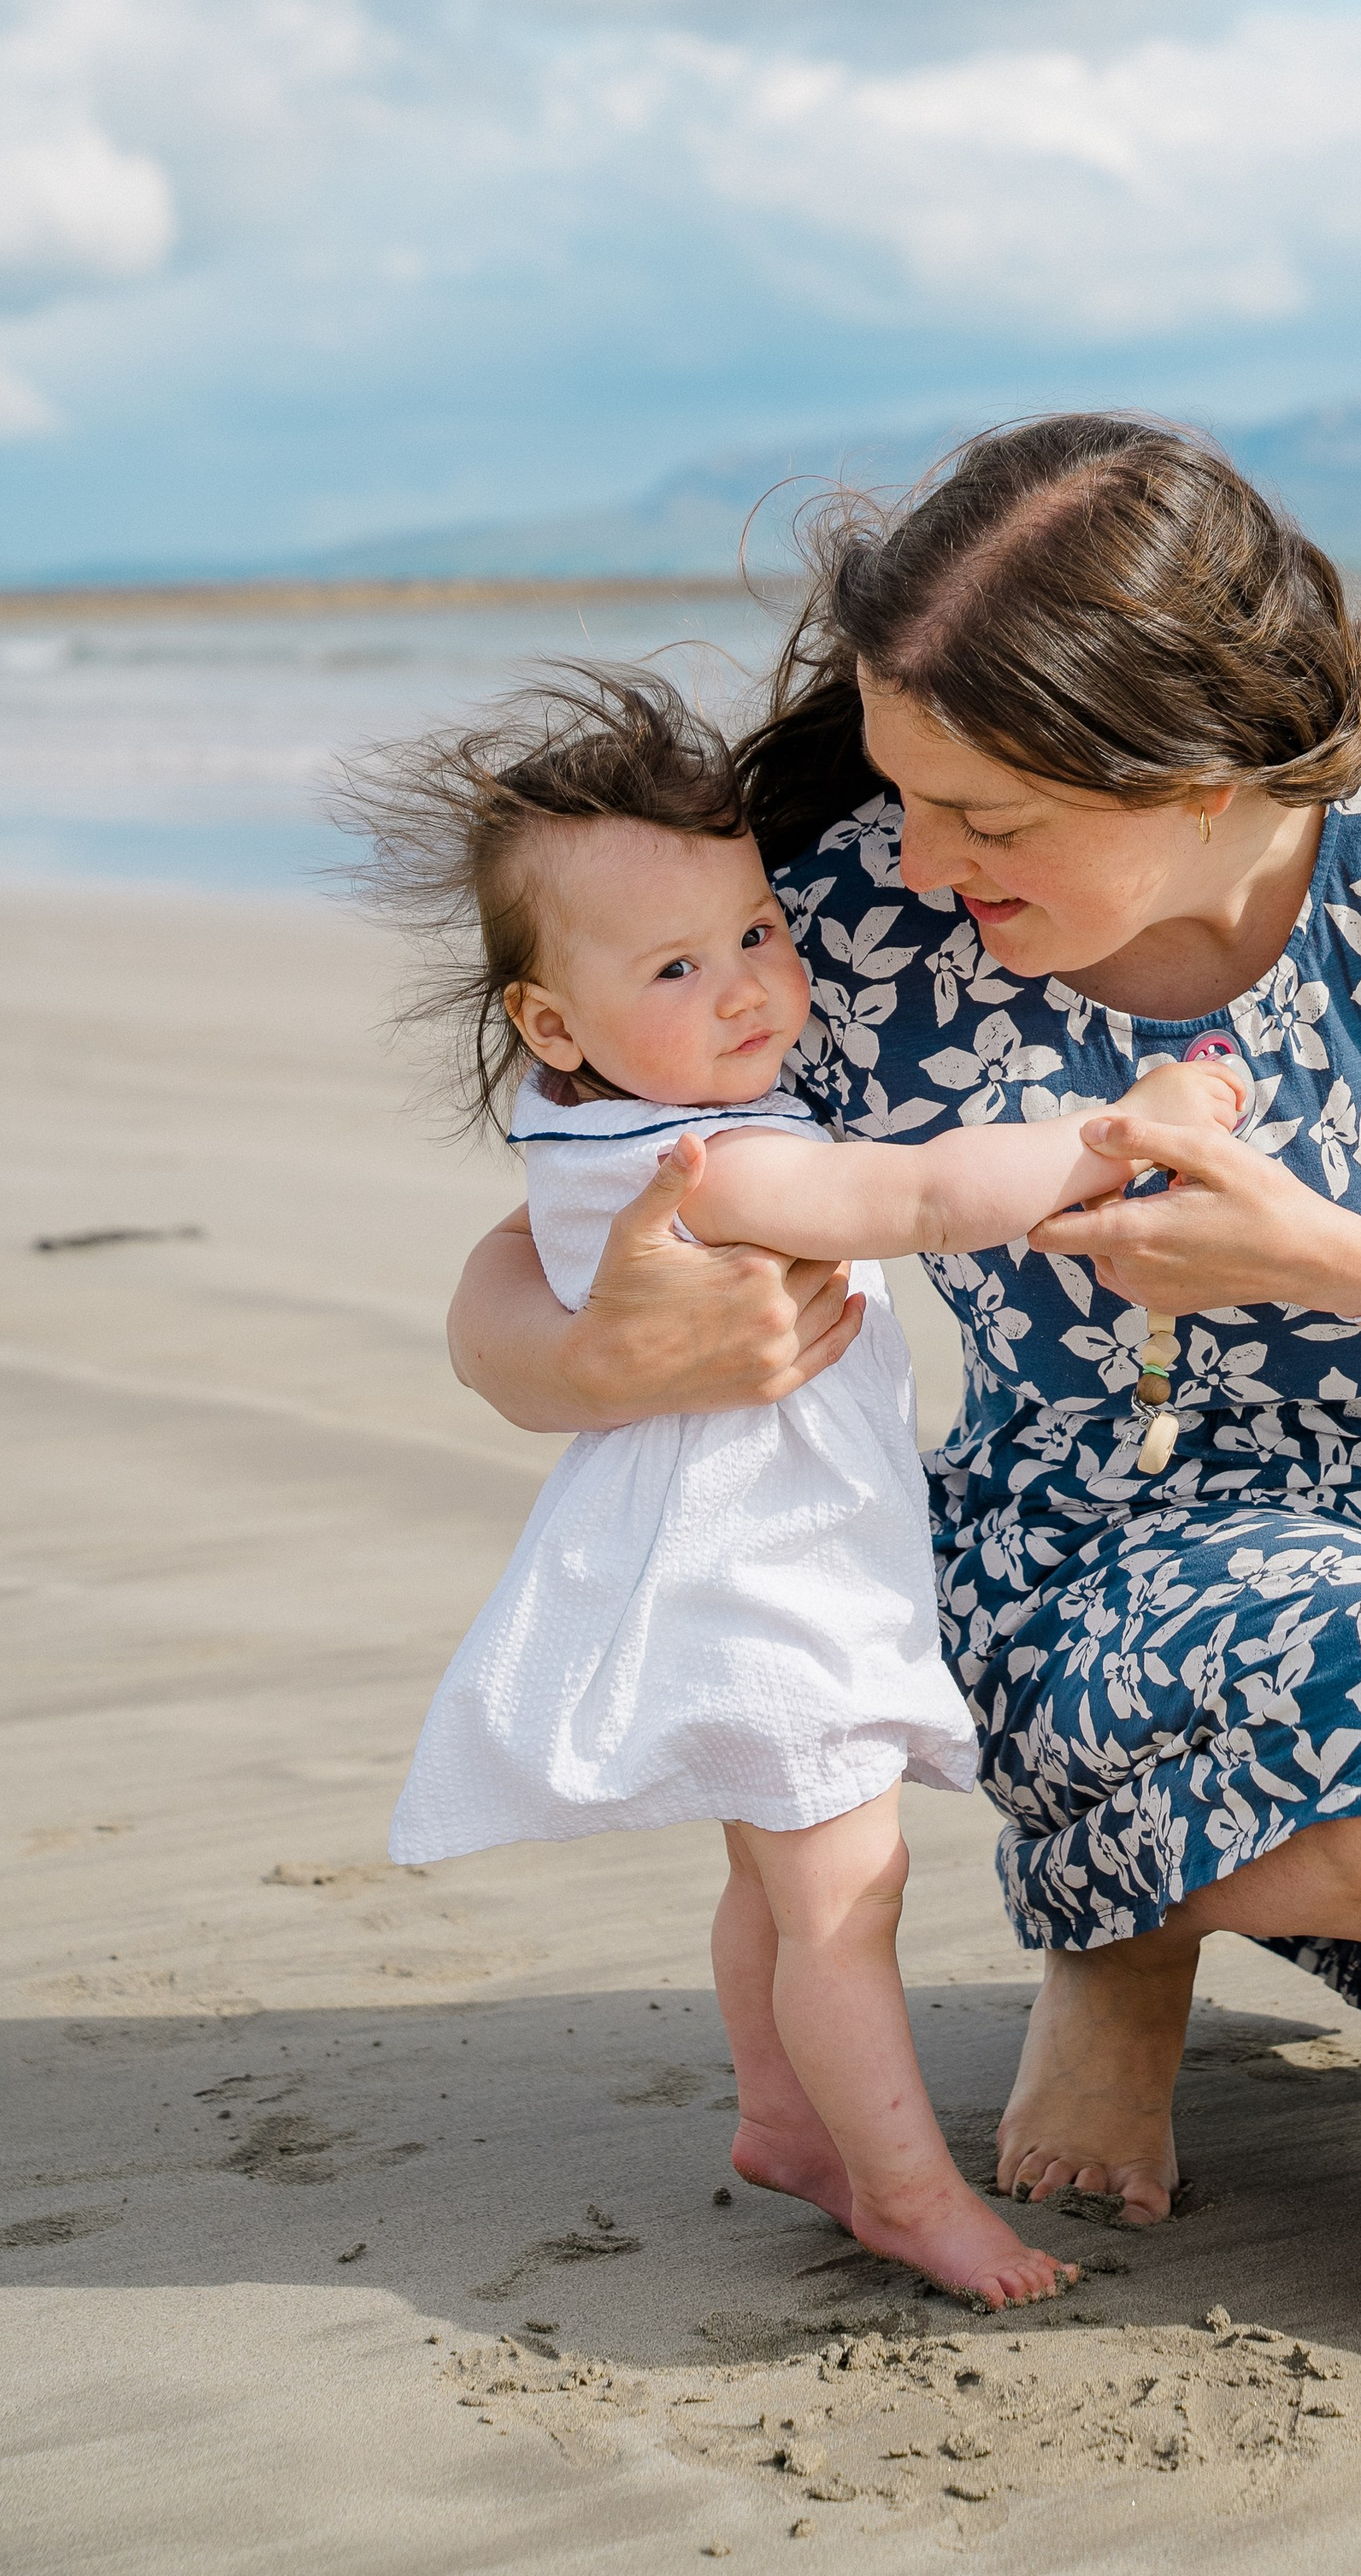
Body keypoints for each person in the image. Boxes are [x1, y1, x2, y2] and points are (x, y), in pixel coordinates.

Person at [446, 423, 1361, 2362]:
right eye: (905, 788)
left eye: (989, 818)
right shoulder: (849, 911)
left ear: (1192, 772)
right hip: (1134, 1555)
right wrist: (592, 1356)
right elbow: (541, 1245)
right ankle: (1132, 1924)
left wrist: (1330, 1258)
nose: (919, 862)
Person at [340, 664, 1245, 2312]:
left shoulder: (595, 1124)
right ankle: (906, 2191)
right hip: (765, 1573)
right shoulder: (723, 1162)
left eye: (757, 930)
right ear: (555, 1023)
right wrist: (1126, 1132)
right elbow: (913, 1192)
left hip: (724, 1561)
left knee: (772, 1881)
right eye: (678, 968)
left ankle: (785, 2120)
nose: (751, 984)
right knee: (846, 1895)